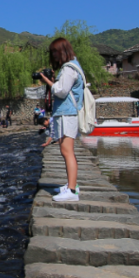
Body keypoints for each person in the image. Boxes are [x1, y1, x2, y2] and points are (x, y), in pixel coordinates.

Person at [38, 37, 84, 203]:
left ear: (62, 51)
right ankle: (71, 185)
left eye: (55, 52)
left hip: (67, 114)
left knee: (67, 151)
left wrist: (47, 81)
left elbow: (61, 91)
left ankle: (71, 191)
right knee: (66, 151)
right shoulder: (73, 65)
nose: (54, 55)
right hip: (66, 113)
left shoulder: (69, 68)